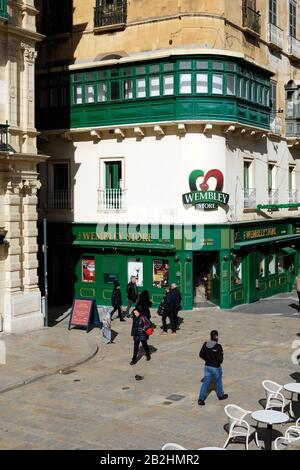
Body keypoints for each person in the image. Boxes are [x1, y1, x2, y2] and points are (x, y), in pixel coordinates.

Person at [198, 330, 228, 406]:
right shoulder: (218, 346)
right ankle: (220, 396)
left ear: (211, 336)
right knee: (218, 382)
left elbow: (201, 354)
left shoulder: (205, 344)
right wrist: (215, 362)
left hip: (207, 366)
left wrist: (207, 360)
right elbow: (220, 360)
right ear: (216, 336)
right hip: (216, 367)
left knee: (205, 383)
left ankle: (201, 399)